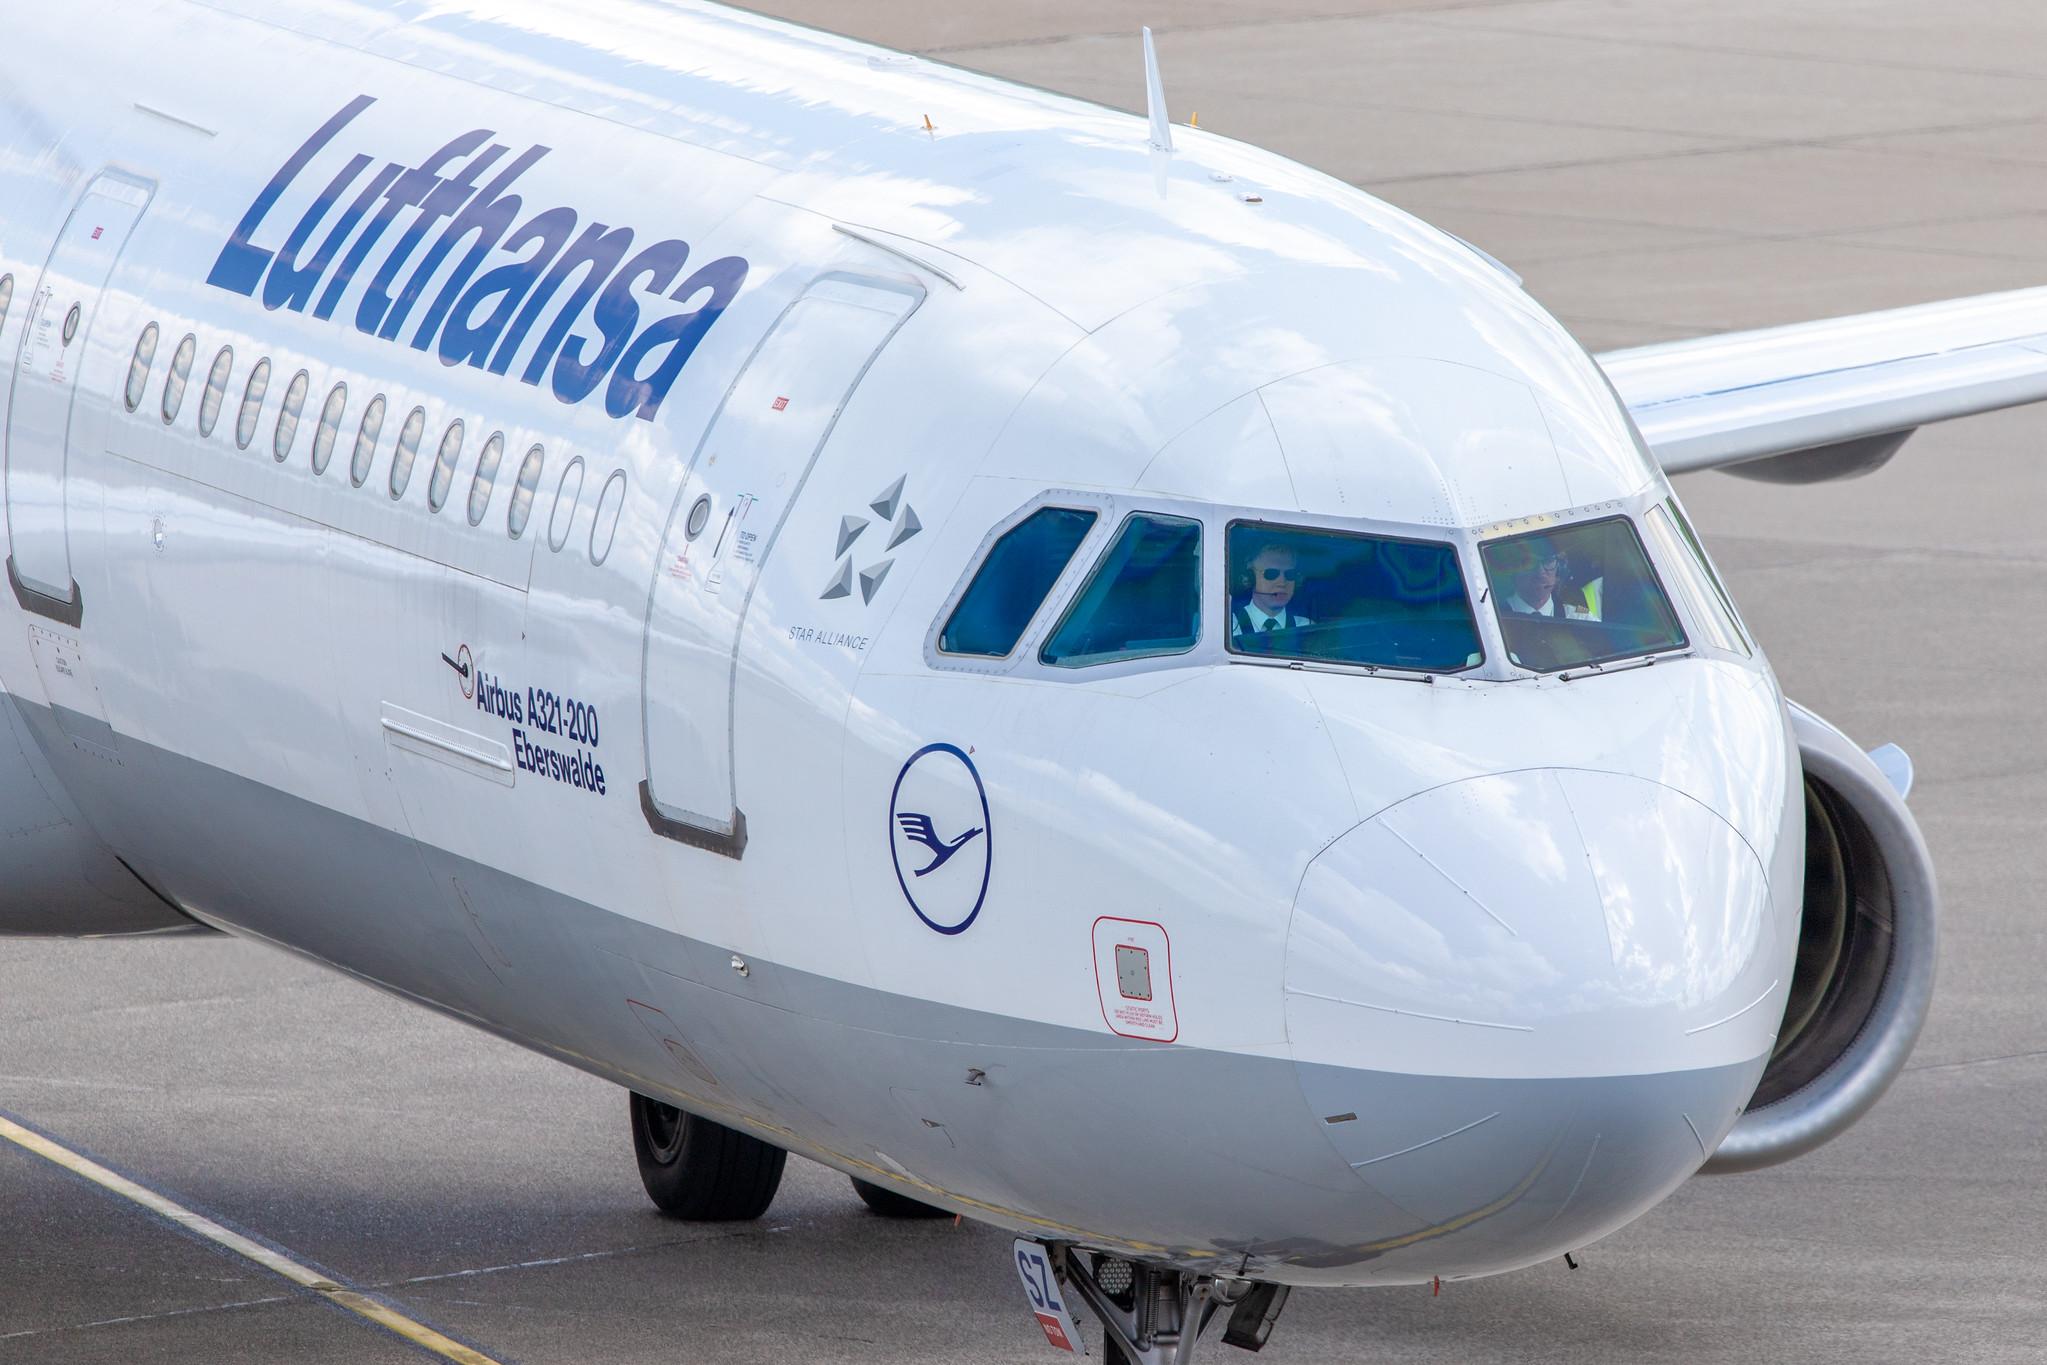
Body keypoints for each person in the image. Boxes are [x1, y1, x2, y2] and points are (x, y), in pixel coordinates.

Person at [1230, 539, 1313, 641]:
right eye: (1271, 574)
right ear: (1250, 578)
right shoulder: (1228, 627)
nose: (1282, 583)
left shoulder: (1307, 628)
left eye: (1290, 574)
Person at [1502, 538, 1600, 621]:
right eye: (1530, 562)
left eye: (1548, 561)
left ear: (1559, 570)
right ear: (1512, 569)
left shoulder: (1582, 618)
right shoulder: (1495, 615)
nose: (1540, 572)